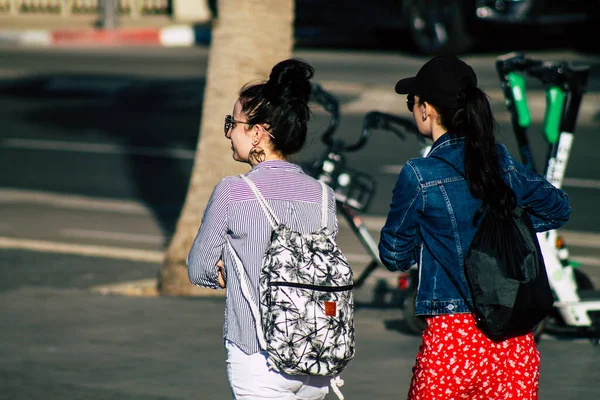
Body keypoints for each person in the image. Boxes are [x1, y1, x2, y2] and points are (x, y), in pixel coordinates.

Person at [378, 54, 571, 399]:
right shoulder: (500, 160)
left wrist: (432, 236)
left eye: (412, 101)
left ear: (427, 109)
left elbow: (394, 255)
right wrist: (506, 228)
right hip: (513, 341)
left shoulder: (419, 175)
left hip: (451, 341)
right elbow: (557, 208)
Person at [187, 58, 336, 400]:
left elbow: (198, 268)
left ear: (257, 133)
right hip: (316, 356)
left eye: (232, 123)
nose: (227, 132)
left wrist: (226, 270)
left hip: (259, 356)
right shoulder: (324, 196)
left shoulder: (233, 190)